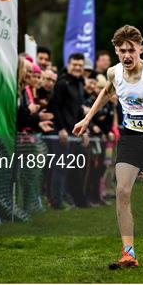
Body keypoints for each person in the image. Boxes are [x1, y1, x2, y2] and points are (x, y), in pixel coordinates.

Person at [73, 25, 143, 269]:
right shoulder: (114, 73)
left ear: (140, 49)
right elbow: (106, 92)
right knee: (122, 192)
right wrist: (87, 119)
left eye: (131, 50)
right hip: (130, 139)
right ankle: (128, 253)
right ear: (116, 51)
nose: (127, 55)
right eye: (122, 50)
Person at [48, 53, 89, 209]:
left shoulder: (78, 84)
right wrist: (60, 129)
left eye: (80, 65)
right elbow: (55, 106)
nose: (77, 67)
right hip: (62, 135)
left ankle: (67, 199)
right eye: (75, 64)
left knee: (71, 170)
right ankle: (56, 202)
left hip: (74, 135)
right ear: (69, 64)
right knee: (59, 168)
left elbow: (78, 111)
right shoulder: (62, 83)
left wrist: (84, 131)